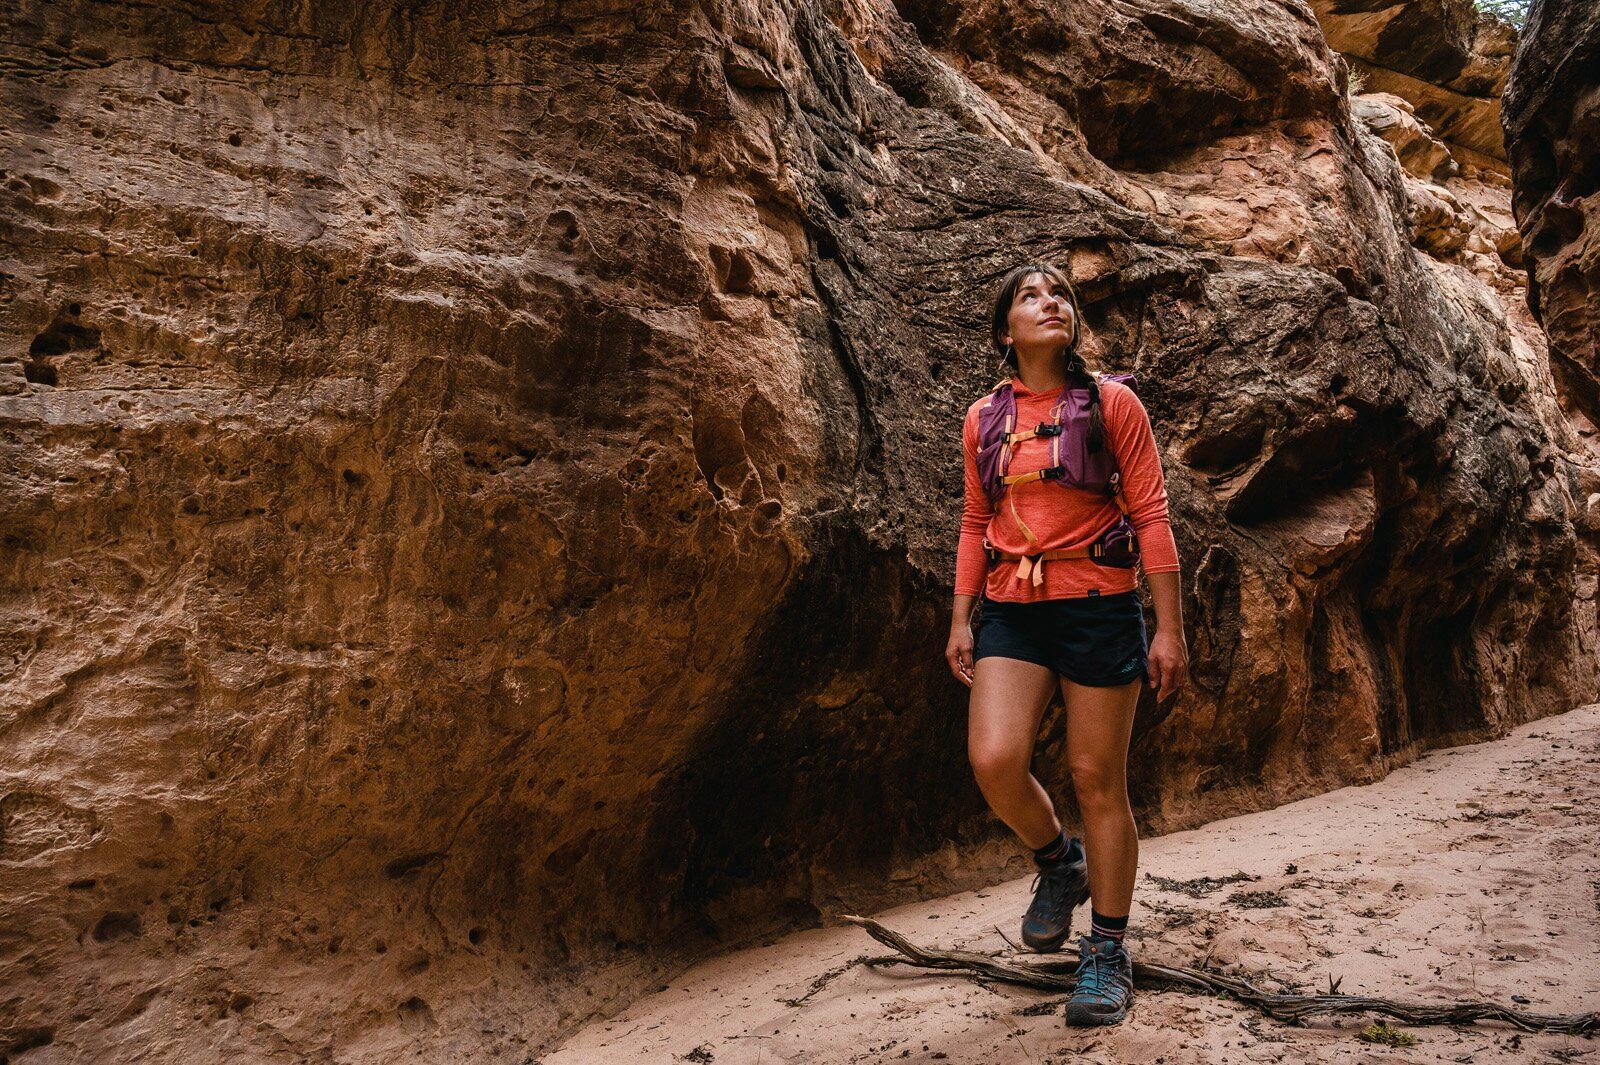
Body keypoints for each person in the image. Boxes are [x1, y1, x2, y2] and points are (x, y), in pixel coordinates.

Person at [944, 261, 1189, 1027]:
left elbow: (1151, 514)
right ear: (1003, 329)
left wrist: (1171, 629)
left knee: (1095, 778)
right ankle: (1059, 862)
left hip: (1100, 606)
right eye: (1030, 294)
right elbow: (973, 522)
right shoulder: (983, 418)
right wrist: (961, 617)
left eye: (1060, 294)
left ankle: (1107, 954)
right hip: (1014, 609)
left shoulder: (1111, 403)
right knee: (993, 758)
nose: (1049, 302)